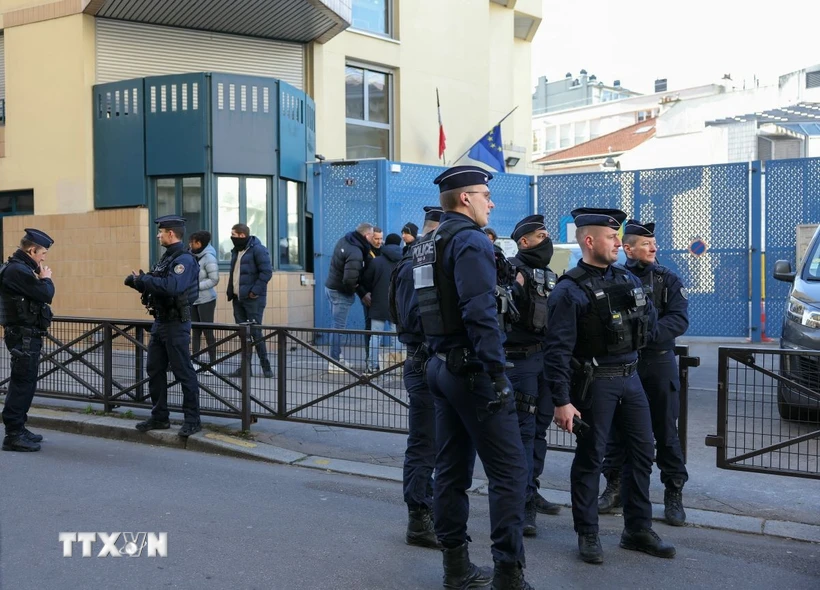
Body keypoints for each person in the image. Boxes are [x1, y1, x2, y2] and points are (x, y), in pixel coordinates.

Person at [416, 166, 532, 589]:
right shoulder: (468, 241)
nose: (491, 201)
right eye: (485, 194)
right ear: (465, 199)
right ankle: (508, 573)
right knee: (510, 472)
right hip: (473, 371)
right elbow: (479, 311)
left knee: (451, 468)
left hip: (441, 365)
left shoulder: (428, 244)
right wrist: (497, 372)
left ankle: (456, 567)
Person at [544, 207, 675, 565]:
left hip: (631, 379)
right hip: (595, 385)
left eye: (618, 237)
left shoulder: (628, 280)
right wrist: (561, 401)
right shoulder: (569, 291)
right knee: (590, 459)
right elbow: (556, 352)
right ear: (589, 240)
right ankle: (588, 533)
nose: (618, 243)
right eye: (611, 237)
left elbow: (647, 324)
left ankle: (637, 529)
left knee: (641, 455)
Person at [598, 220, 690, 526]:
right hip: (623, 364)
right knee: (616, 430)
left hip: (658, 362)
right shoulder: (613, 278)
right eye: (647, 244)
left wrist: (645, 336)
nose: (654, 248)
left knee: (665, 431)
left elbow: (678, 319)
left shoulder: (667, 279)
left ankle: (673, 493)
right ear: (628, 248)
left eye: (654, 243)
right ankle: (614, 486)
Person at [389, 206, 443, 549]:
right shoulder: (414, 266)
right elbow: (414, 317)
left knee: (436, 444)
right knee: (424, 444)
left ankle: (430, 509)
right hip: (424, 362)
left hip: (433, 361)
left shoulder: (425, 263)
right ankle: (419, 518)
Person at [505, 214, 561, 537]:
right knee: (524, 432)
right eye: (541, 236)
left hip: (544, 362)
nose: (547, 240)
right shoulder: (511, 271)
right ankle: (522, 503)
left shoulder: (549, 275)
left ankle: (532, 489)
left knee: (539, 429)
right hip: (520, 363)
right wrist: (514, 288)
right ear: (524, 242)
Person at [126, 215, 202, 438]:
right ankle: (160, 417)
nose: (158, 235)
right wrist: (138, 283)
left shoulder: (184, 260)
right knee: (155, 369)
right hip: (161, 322)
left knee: (183, 372)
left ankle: (192, 419)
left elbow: (172, 287)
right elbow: (156, 285)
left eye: (161, 232)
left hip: (177, 324)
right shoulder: (166, 258)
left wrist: (145, 280)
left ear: (171, 234)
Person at [0, 229, 55, 452]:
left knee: (26, 381)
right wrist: (46, 280)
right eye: (42, 253)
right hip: (22, 336)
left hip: (26, 334)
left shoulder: (19, 268)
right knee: (22, 383)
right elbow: (45, 294)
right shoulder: (17, 270)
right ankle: (13, 434)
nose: (43, 258)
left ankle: (19, 428)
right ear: (32, 250)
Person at [324, 222, 374, 372]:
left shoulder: (345, 240)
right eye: (372, 235)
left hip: (331, 287)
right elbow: (349, 279)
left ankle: (337, 357)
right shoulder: (356, 252)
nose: (373, 239)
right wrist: (357, 292)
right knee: (338, 328)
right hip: (340, 292)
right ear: (366, 235)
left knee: (335, 326)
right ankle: (334, 362)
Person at [227, 223, 273, 378]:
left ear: (241, 235)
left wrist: (254, 291)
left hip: (253, 299)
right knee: (243, 334)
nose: (231, 237)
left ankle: (266, 367)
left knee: (255, 332)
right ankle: (245, 368)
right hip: (238, 298)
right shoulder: (236, 251)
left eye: (233, 234)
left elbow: (266, 272)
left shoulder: (258, 249)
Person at [361, 233, 402, 373]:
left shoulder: (376, 261)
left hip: (377, 303)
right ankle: (396, 367)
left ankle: (373, 366)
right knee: (395, 336)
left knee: (375, 336)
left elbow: (366, 281)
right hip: (396, 304)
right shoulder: (403, 261)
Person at [189, 230, 219, 367]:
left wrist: (196, 286)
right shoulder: (192, 255)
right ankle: (195, 360)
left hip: (206, 299)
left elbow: (214, 279)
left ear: (199, 243)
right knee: (195, 330)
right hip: (193, 299)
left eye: (192, 242)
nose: (189, 245)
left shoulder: (209, 258)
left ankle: (213, 362)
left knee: (207, 331)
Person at [362, 227, 383, 371]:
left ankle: (377, 361)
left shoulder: (385, 251)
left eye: (381, 238)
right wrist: (364, 293)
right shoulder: (365, 253)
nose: (379, 241)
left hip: (381, 295)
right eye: (376, 238)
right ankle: (369, 360)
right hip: (369, 296)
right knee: (369, 327)